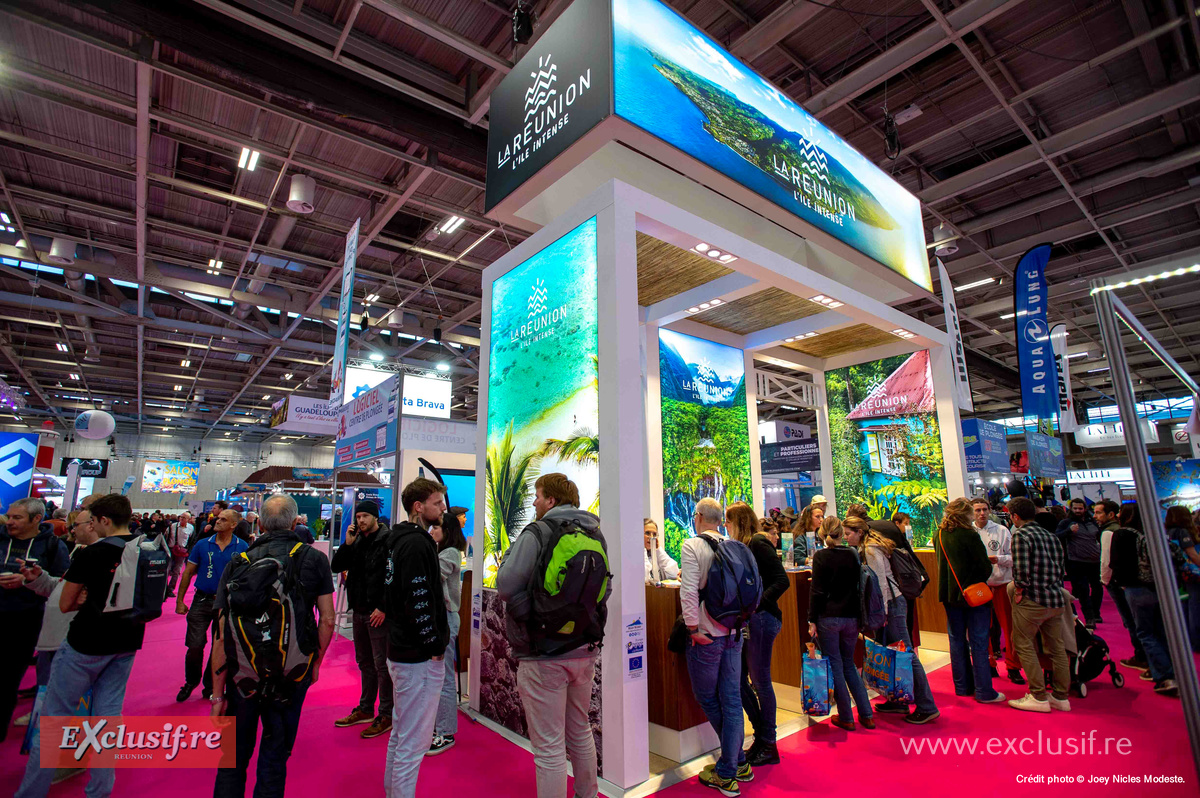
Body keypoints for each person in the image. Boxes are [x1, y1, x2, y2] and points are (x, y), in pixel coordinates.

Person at [13, 495, 156, 798]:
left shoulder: (93, 554)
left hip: (86, 643)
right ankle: (99, 791)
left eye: (92, 520)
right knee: (107, 721)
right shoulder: (144, 548)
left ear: (104, 521)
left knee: (53, 721)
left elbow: (65, 604)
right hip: (127, 641)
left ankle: (30, 792)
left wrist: (82, 597)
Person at [211, 494, 336, 798]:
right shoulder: (314, 558)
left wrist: (217, 692)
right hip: (291, 673)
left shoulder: (238, 562)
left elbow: (221, 631)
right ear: (295, 522)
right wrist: (315, 663)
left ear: (262, 523)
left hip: (243, 676)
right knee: (275, 754)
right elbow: (328, 620)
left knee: (232, 759)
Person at [497, 473, 606, 798]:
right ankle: (587, 795)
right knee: (579, 729)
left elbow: (506, 584)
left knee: (548, 747)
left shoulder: (538, 532)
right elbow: (604, 590)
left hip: (543, 652)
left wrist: (529, 611)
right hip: (583, 648)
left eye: (537, 495)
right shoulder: (595, 533)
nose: (533, 502)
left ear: (551, 500)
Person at [679, 496, 751, 794]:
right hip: (734, 633)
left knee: (707, 698)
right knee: (732, 700)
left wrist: (692, 628)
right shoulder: (737, 547)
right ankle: (739, 761)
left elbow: (689, 591)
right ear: (720, 520)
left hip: (706, 636)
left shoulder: (692, 546)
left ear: (697, 517)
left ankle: (726, 772)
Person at [383, 478, 450, 798]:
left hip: (402, 649)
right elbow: (419, 600)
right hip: (417, 656)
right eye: (437, 503)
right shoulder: (416, 544)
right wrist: (435, 645)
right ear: (418, 507)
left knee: (401, 734)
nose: (443, 509)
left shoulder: (398, 540)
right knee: (414, 742)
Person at [854, 512, 940, 725]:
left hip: (892, 605)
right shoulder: (875, 545)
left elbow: (881, 583)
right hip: (892, 604)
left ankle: (926, 705)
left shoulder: (871, 550)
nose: (846, 538)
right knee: (893, 652)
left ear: (859, 532)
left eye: (848, 533)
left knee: (906, 654)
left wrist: (881, 612)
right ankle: (898, 699)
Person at [0, 497, 70, 741]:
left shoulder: (52, 545)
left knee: (9, 676)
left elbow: (62, 584)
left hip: (26, 618)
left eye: (16, 517)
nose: (10, 522)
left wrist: (29, 581)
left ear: (36, 519)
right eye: (9, 516)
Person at [329, 500, 395, 739]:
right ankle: (366, 708)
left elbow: (393, 576)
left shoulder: (387, 540)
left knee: (381, 665)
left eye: (365, 516)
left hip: (377, 612)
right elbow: (337, 566)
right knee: (365, 662)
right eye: (358, 517)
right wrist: (346, 545)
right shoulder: (355, 541)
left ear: (376, 517)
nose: (361, 521)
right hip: (358, 610)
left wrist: (384, 607)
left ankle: (386, 712)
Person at [1001, 498, 1071, 713]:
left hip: (1033, 599)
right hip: (1055, 598)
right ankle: (1060, 696)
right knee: (1057, 648)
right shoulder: (1051, 536)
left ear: (1015, 516)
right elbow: (1061, 568)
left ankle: (1038, 695)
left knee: (1023, 644)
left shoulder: (1021, 534)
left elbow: (1020, 571)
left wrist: (1019, 591)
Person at [731, 501, 787, 766]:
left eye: (729, 523)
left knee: (760, 680)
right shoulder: (746, 546)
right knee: (743, 678)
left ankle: (769, 742)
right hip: (753, 620)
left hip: (763, 620)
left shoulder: (758, 544)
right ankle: (762, 736)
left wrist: (758, 603)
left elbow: (781, 580)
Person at [807, 516, 874, 732]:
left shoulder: (821, 557)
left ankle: (846, 716)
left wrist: (812, 619)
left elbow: (816, 592)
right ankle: (866, 713)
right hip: (851, 617)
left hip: (829, 617)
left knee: (835, 664)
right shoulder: (852, 554)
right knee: (849, 664)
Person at [175, 507, 249, 702]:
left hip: (226, 602)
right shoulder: (202, 544)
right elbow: (188, 572)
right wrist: (180, 600)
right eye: (218, 518)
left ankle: (210, 686)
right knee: (195, 645)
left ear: (234, 525)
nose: (217, 521)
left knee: (221, 646)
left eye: (223, 520)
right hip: (202, 599)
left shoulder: (242, 547)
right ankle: (191, 681)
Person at [935, 497, 1004, 704]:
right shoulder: (969, 535)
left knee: (956, 641)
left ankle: (962, 686)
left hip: (950, 595)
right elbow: (984, 566)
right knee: (979, 642)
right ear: (966, 514)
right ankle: (984, 691)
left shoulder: (939, 534)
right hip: (973, 596)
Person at [1109, 502, 1177, 696]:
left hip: (1136, 587)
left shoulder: (1123, 534)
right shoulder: (1154, 533)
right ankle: (1169, 670)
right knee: (1161, 631)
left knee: (1145, 632)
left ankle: (1164, 676)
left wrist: (1120, 583)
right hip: (1161, 587)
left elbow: (1116, 563)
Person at [972, 497, 1022, 684]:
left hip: (1002, 584)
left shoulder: (1001, 530)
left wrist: (998, 559)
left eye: (984, 509)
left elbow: (1013, 557)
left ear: (990, 510)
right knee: (982, 628)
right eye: (977, 510)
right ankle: (989, 665)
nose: (982, 513)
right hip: (980, 587)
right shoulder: (969, 532)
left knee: (1010, 628)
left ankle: (1013, 666)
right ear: (972, 512)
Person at [430, 510, 467, 755]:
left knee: (444, 678)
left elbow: (433, 577)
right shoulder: (442, 552)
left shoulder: (450, 553)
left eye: (436, 527)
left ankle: (445, 732)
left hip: (446, 619)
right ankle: (438, 728)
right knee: (438, 677)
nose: (432, 530)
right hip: (441, 619)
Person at [1096, 499, 1145, 669]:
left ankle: (1141, 655)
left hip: (1122, 581)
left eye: (1099, 512)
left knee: (1132, 621)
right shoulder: (1140, 531)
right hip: (1143, 581)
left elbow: (1106, 560)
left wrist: (1105, 580)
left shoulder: (1111, 532)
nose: (1095, 516)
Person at [1055, 498, 1102, 628]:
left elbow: (1099, 536)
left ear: (1084, 509)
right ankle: (1089, 617)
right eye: (1075, 508)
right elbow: (1056, 536)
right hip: (1076, 561)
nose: (1077, 511)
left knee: (1097, 587)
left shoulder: (1092, 522)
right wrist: (1069, 531)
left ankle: (1096, 613)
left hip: (1094, 560)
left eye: (1080, 508)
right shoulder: (1066, 523)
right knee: (1083, 590)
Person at [1164, 506, 1200, 652]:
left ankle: (1188, 640)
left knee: (1185, 607)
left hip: (1176, 574)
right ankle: (1196, 641)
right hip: (1192, 573)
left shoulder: (1166, 532)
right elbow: (1192, 554)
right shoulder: (1183, 532)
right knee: (1195, 608)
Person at [165, 511, 194, 598]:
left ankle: (170, 589)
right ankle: (164, 588)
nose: (182, 519)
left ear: (188, 519)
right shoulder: (172, 526)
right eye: (181, 517)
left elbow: (191, 540)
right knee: (167, 569)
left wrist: (188, 551)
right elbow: (166, 537)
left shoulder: (191, 528)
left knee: (177, 571)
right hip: (170, 550)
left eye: (184, 517)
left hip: (182, 552)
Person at [643, 518, 679, 583]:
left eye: (654, 534)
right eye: (647, 533)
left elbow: (674, 573)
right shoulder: (633, 557)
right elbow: (644, 578)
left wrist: (658, 550)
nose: (651, 537)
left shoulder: (657, 556)